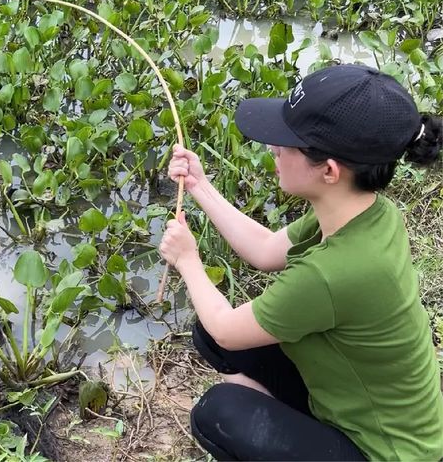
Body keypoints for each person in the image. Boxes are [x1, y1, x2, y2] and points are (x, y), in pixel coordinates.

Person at [158, 63, 443, 460]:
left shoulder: (334, 273)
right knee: (213, 335)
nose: (273, 149)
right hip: (352, 402)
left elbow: (226, 328)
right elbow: (265, 249)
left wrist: (187, 260)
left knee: (219, 412)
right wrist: (200, 187)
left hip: (383, 451)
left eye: (286, 142)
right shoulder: (365, 211)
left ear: (328, 170)